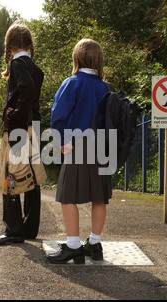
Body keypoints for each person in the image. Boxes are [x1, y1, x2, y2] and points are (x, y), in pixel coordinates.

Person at [47, 38, 112, 264]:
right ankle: (94, 244)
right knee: (99, 197)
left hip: (78, 145)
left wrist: (63, 141)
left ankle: (73, 245)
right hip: (104, 146)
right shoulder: (105, 87)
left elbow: (59, 114)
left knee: (67, 195)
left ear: (77, 58)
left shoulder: (72, 83)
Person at [0, 23, 44, 246]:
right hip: (32, 128)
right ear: (30, 44)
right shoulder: (33, 66)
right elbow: (32, 91)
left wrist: (14, 113)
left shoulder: (17, 64)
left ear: (9, 46)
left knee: (9, 176)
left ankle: (13, 230)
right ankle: (29, 227)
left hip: (18, 129)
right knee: (31, 175)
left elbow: (28, 90)